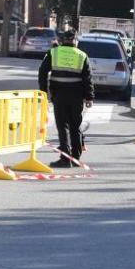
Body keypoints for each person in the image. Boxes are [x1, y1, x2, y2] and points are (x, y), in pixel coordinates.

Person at [38, 30, 93, 168]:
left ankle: (65, 158)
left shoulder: (54, 53)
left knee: (63, 127)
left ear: (63, 40)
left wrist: (44, 91)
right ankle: (76, 157)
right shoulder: (82, 55)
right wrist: (89, 96)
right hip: (76, 96)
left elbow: (42, 71)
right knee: (75, 126)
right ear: (75, 41)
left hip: (59, 95)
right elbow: (87, 78)